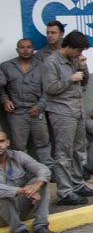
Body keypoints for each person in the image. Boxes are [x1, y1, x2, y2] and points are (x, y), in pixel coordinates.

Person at [42, 30, 93, 206]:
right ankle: (65, 191)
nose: (80, 54)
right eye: (78, 50)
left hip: (77, 109)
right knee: (63, 153)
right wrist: (70, 78)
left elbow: (85, 82)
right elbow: (50, 88)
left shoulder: (75, 60)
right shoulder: (51, 62)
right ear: (70, 46)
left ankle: (77, 183)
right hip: (62, 112)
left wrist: (82, 67)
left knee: (77, 150)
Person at [0, 38, 55, 169]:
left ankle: (49, 170)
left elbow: (48, 89)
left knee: (43, 143)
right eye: (22, 47)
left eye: (29, 47)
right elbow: (1, 88)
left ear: (32, 49)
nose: (25, 50)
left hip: (36, 111)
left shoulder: (42, 66)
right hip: (16, 112)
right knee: (19, 146)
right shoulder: (6, 66)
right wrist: (5, 100)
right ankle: (22, 172)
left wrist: (39, 106)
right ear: (17, 49)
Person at [0, 131, 57, 233]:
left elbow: (43, 169)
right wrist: (23, 191)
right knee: (3, 195)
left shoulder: (18, 156)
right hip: (1, 214)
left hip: (18, 207)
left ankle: (40, 227)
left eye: (1, 141)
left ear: (7, 143)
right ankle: (21, 232)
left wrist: (35, 186)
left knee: (41, 182)